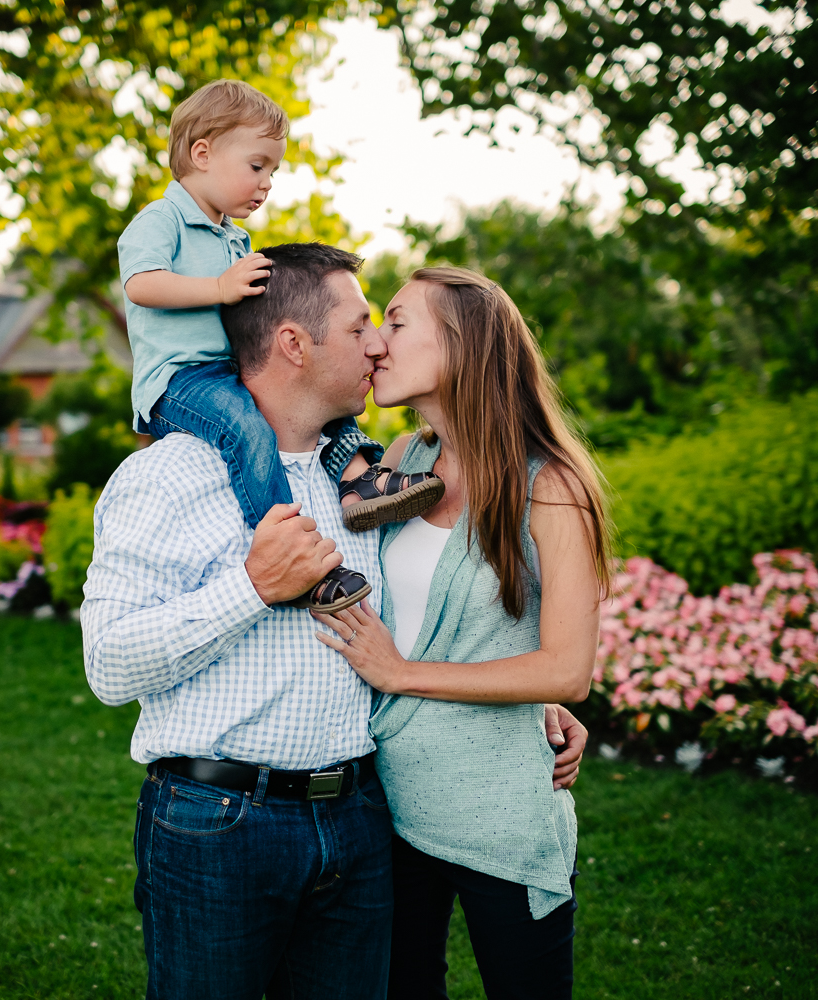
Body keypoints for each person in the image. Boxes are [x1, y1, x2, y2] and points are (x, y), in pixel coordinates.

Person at [83, 245, 588, 1000]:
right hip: (223, 824)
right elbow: (109, 668)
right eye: (362, 326)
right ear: (294, 342)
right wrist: (252, 587)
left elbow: (438, 616)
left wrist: (530, 696)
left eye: (388, 324)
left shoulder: (367, 480)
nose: (377, 344)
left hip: (359, 820)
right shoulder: (173, 474)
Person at [311, 266, 612, 1000]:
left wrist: (404, 673)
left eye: (397, 320)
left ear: (463, 344)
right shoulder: (396, 468)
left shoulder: (552, 485)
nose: (377, 343)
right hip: (388, 804)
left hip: (500, 810)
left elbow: (568, 669)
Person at [117, 79, 444, 613]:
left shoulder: (234, 238)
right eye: (256, 166)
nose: (267, 182)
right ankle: (295, 555)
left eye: (273, 171)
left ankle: (362, 481)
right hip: (180, 381)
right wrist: (219, 288)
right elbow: (141, 284)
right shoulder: (162, 220)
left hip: (226, 369)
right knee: (245, 428)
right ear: (202, 154)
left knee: (329, 403)